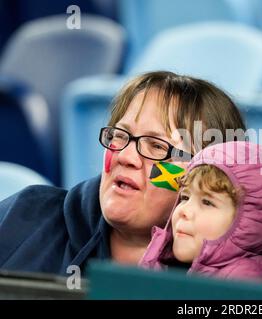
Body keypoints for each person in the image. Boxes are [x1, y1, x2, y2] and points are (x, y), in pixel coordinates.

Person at [0, 71, 246, 275]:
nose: (126, 157)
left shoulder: (227, 282)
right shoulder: (25, 214)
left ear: (210, 179)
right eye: (120, 136)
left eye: (157, 147)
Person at [139, 141, 262, 282]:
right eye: (185, 197)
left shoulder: (244, 281)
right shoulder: (172, 267)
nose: (184, 210)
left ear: (248, 223)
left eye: (207, 202)